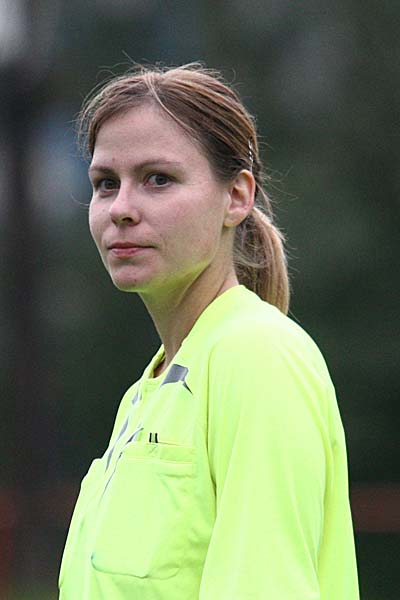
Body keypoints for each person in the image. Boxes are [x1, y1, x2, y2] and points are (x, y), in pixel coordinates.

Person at [58, 63, 359, 599]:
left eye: (158, 179)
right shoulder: (146, 393)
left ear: (236, 197)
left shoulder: (258, 355)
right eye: (106, 184)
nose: (121, 208)